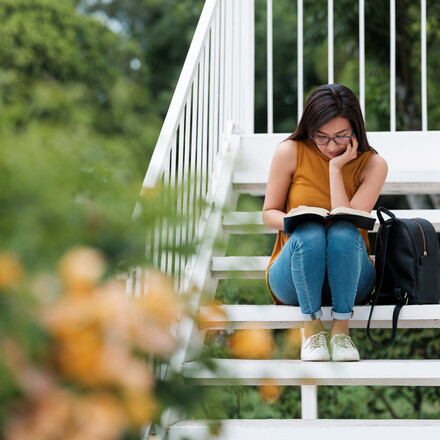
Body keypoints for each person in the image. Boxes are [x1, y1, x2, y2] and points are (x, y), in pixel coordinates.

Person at [262, 84, 388, 361]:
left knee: (342, 230)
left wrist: (335, 168)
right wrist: (295, 221)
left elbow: (351, 220)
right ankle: (313, 329)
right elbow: (269, 211)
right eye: (321, 137)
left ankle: (341, 332)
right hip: (295, 274)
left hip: (350, 277)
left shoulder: (373, 164)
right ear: (310, 128)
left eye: (341, 137)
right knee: (310, 231)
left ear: (356, 130)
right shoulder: (290, 151)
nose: (331, 146)